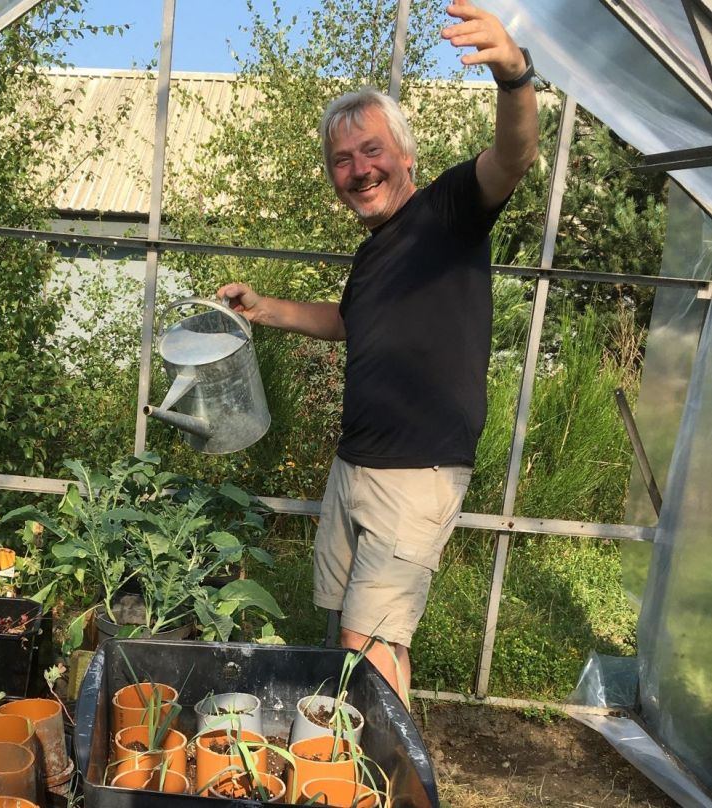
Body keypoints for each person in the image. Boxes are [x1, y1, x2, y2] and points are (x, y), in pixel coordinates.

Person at [216, 3, 539, 701]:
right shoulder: (374, 253)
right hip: (355, 465)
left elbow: (512, 157)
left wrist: (514, 76)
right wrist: (264, 308)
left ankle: (393, 783)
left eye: (370, 151)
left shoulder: (447, 213)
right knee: (345, 626)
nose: (357, 170)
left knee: (373, 641)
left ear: (405, 155)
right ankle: (357, 763)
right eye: (341, 160)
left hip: (414, 474)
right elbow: (346, 322)